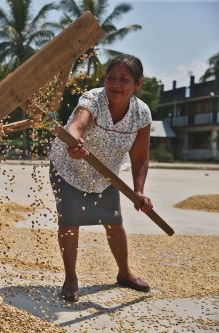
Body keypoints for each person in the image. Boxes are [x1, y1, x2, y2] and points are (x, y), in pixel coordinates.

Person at [49, 54, 153, 302]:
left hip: (106, 175)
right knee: (69, 222)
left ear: (138, 84)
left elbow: (140, 158)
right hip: (68, 168)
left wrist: (139, 191)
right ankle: (71, 278)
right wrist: (74, 141)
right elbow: (76, 124)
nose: (115, 84)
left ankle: (125, 273)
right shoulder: (93, 99)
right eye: (111, 78)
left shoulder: (142, 114)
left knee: (114, 221)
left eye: (124, 80)